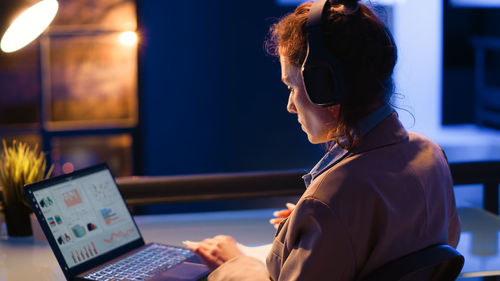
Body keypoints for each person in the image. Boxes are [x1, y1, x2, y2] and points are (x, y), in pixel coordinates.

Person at [185, 0, 460, 280]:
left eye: (292, 86)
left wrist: (232, 262)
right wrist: (319, 227)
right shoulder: (432, 155)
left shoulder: (331, 198)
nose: (290, 105)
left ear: (324, 85)